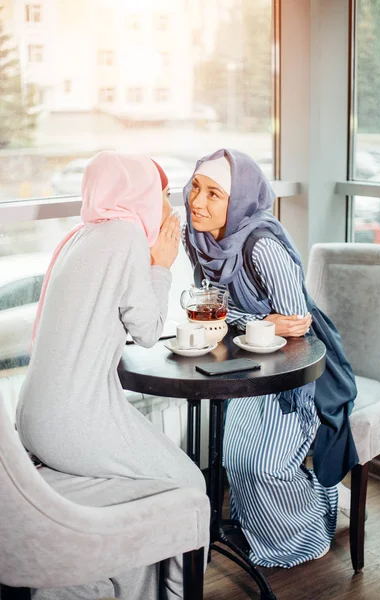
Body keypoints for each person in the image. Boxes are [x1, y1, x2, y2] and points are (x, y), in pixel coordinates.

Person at [17, 151, 206, 599]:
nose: (167, 205)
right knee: (190, 484)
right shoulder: (123, 239)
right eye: (160, 193)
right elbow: (146, 332)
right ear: (137, 194)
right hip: (74, 422)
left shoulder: (83, 236)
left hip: (35, 418)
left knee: (143, 496)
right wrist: (161, 262)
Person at [182, 149, 358, 569]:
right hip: (247, 363)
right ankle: (258, 527)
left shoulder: (262, 247)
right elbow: (216, 309)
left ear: (238, 198)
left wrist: (240, 321)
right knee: (232, 452)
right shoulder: (200, 239)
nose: (197, 202)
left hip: (299, 368)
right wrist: (256, 321)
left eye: (214, 194)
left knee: (259, 462)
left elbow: (296, 325)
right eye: (195, 188)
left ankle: (312, 522)